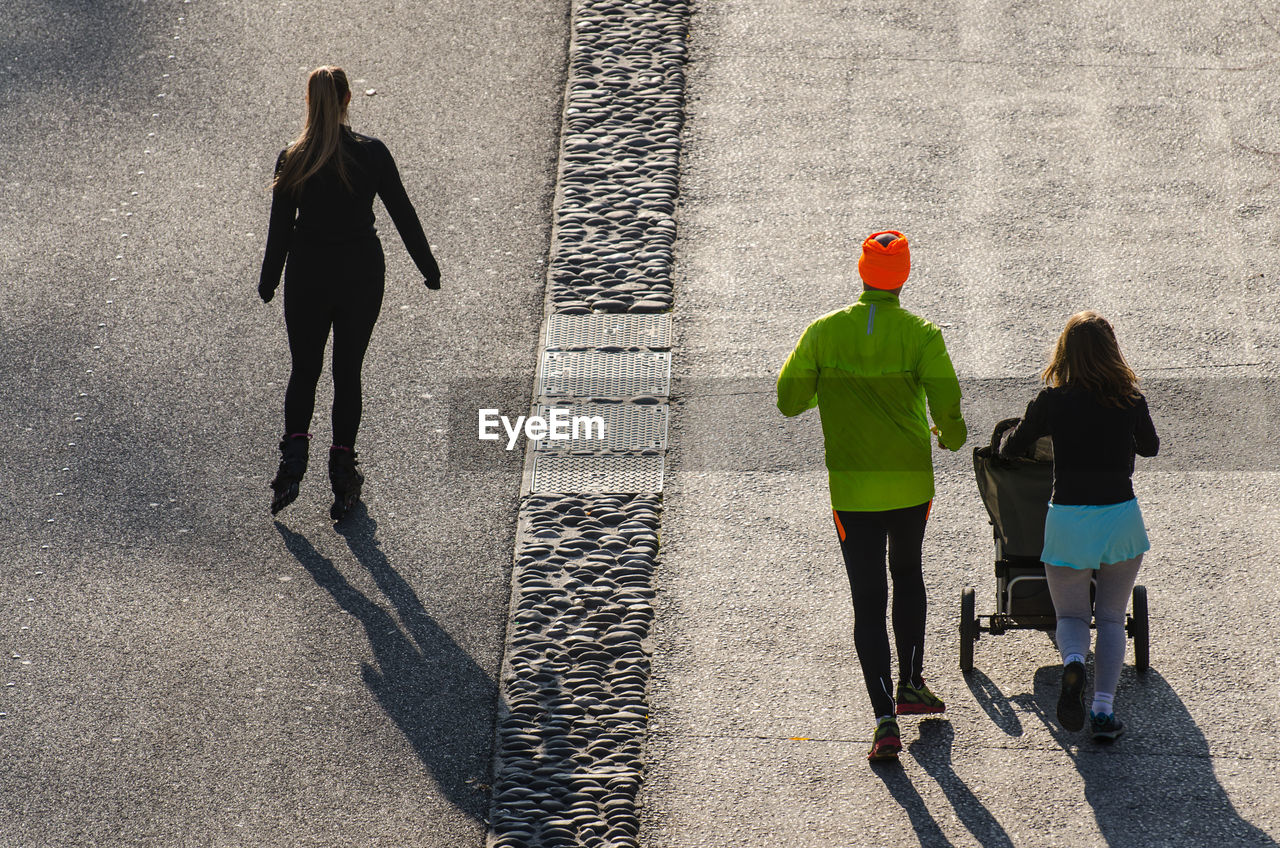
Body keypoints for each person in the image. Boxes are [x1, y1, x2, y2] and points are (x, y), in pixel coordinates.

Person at [776, 231, 967, 762]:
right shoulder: (922, 334)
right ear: (903, 276)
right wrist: (951, 437)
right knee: (907, 573)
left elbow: (789, 400)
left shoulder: (823, 332)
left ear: (861, 271)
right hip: (910, 483)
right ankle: (912, 681)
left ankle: (884, 717)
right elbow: (948, 411)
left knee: (867, 597)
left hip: (852, 490)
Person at [258, 65, 441, 520]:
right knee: (347, 372)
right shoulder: (372, 154)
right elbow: (403, 214)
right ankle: (342, 471)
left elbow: (279, 230)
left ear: (309, 102)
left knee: (304, 370)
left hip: (307, 275)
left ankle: (292, 462)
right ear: (347, 100)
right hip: (360, 273)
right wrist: (428, 268)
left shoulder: (292, 158)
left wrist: (269, 280)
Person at [1000, 311, 1159, 742]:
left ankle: (1073, 662)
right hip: (1120, 517)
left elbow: (1014, 447)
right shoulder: (1130, 398)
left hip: (1069, 517)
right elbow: (1151, 448)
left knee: (1070, 613)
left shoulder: (1052, 400)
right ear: (1112, 352)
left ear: (1064, 352)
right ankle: (1104, 711)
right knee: (1109, 618)